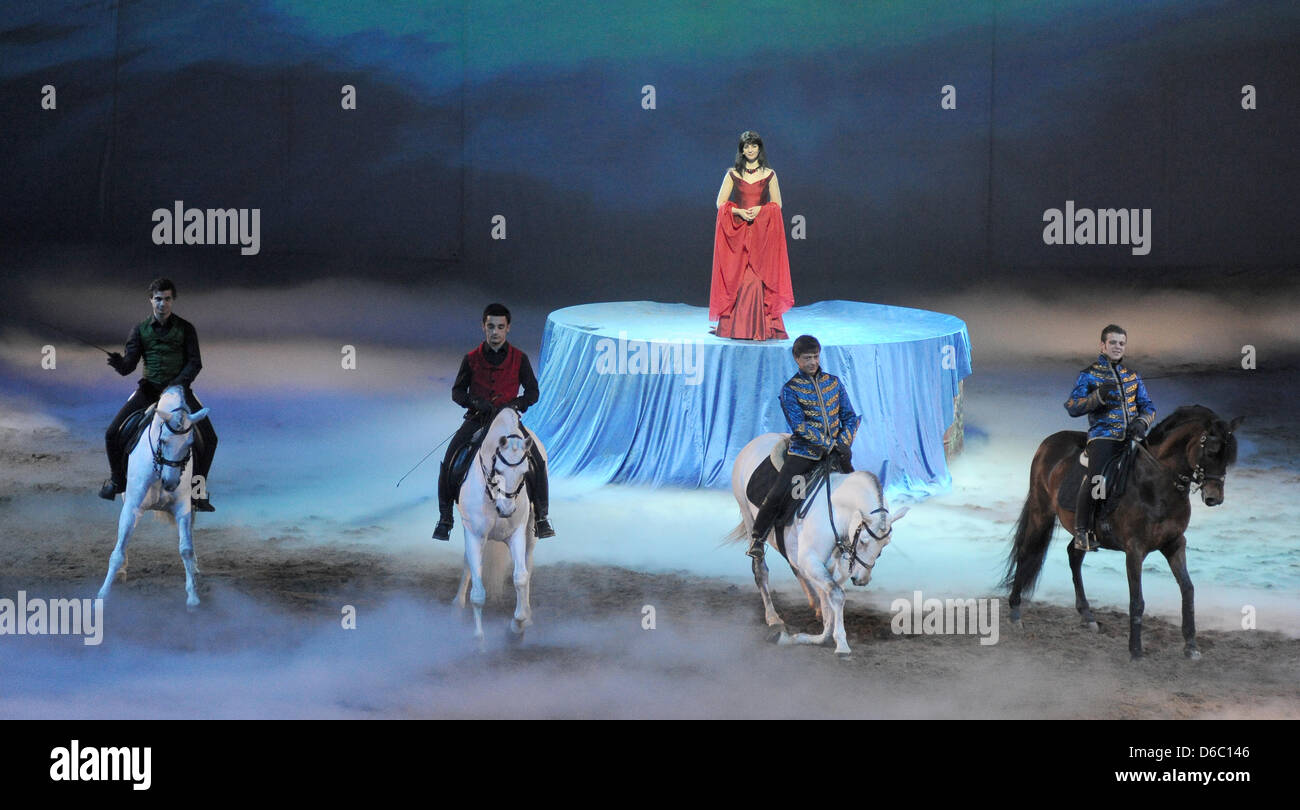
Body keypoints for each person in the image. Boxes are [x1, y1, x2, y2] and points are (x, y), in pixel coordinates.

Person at [432, 303, 554, 541]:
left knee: (537, 461)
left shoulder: (520, 359)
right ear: (483, 327)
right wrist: (476, 403)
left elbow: (533, 392)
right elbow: (457, 392)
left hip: (507, 421)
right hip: (478, 419)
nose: (495, 332)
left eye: (500, 327)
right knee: (450, 461)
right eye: (490, 327)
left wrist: (516, 405)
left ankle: (541, 517)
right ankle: (445, 518)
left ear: (508, 328)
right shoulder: (471, 359)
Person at [101, 278, 218, 511]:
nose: (162, 304)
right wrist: (118, 363)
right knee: (112, 433)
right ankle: (117, 481)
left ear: (172, 301)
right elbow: (128, 367)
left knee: (210, 438)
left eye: (166, 299)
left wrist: (175, 385)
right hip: (149, 390)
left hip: (178, 393)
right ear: (150, 300)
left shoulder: (186, 329)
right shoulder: (139, 330)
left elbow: (195, 363)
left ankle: (198, 491)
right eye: (158, 299)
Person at [748, 335, 859, 558]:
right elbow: (799, 426)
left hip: (837, 451)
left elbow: (849, 416)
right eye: (807, 358)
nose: (812, 362)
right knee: (779, 491)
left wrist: (844, 442)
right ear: (797, 359)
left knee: (858, 489)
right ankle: (758, 538)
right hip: (805, 452)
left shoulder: (834, 382)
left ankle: (860, 539)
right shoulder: (790, 389)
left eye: (816, 356)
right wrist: (829, 445)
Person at [1064, 324, 1155, 551]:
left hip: (1132, 437)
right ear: (1102, 345)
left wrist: (1141, 422)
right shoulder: (1089, 375)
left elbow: (1148, 406)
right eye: (1113, 342)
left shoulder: (1133, 376)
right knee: (1097, 479)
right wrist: (1097, 396)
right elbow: (1073, 407)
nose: (1117, 347)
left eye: (1121, 343)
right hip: (1103, 437)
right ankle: (1081, 531)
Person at [709, 130, 794, 341]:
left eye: (754, 146)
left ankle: (762, 328)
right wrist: (737, 212)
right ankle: (732, 328)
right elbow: (720, 203)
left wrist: (760, 210)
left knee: (757, 280)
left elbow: (778, 204)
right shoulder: (733, 173)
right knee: (738, 277)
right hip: (739, 231)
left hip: (760, 232)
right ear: (742, 150)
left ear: (759, 148)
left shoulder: (769, 174)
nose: (750, 150)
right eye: (746, 146)